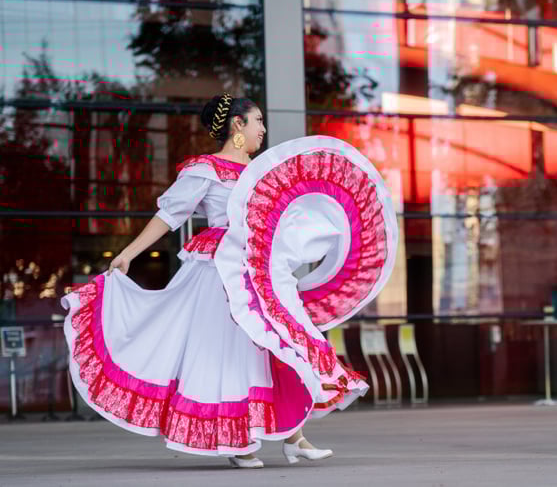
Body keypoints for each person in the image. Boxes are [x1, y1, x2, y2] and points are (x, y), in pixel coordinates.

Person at [62, 93, 398, 468]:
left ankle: (295, 437)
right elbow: (168, 216)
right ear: (237, 125)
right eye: (257, 121)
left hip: (262, 271)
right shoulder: (205, 170)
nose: (263, 129)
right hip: (220, 273)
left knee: (285, 343)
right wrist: (128, 253)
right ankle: (241, 444)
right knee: (233, 358)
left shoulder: (267, 171)